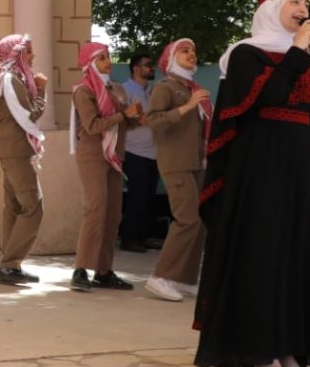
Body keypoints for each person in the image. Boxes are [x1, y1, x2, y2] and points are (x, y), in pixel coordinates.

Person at [195, 0, 310, 367]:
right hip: (260, 168)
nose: (303, 8)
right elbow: (269, 97)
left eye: (307, 2)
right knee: (263, 252)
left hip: (301, 169)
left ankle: (288, 346)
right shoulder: (245, 54)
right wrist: (297, 50)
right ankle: (259, 348)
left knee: (295, 255)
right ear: (272, 7)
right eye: (295, 0)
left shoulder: (304, 60)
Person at [141, 38, 210, 303]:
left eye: (193, 51)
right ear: (171, 58)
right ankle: (161, 277)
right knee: (187, 219)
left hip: (195, 163)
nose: (191, 54)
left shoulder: (192, 88)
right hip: (175, 163)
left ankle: (184, 279)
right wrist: (187, 106)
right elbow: (152, 120)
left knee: (199, 221)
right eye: (184, 51)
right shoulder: (166, 87)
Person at [70, 42, 141, 292]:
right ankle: (80, 270)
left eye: (108, 56)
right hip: (93, 155)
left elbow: (124, 124)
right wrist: (123, 115)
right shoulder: (83, 90)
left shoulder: (115, 88)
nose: (108, 61)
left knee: (113, 214)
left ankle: (103, 271)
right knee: (95, 210)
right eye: (101, 58)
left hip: (114, 156)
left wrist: (135, 116)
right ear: (90, 63)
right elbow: (92, 126)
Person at [0, 34, 47, 285]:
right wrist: (41, 90)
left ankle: (10, 265)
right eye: (28, 51)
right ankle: (9, 265)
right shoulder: (11, 79)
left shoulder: (10, 78)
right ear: (16, 54)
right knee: (33, 206)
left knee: (14, 206)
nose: (32, 56)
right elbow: (28, 114)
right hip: (16, 150)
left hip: (12, 149)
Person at [118, 52, 162, 253]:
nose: (152, 68)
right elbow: (122, 118)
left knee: (149, 196)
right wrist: (137, 119)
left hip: (153, 151)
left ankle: (144, 236)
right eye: (147, 64)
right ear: (136, 68)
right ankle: (129, 238)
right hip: (134, 150)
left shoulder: (152, 91)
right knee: (137, 195)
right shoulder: (125, 90)